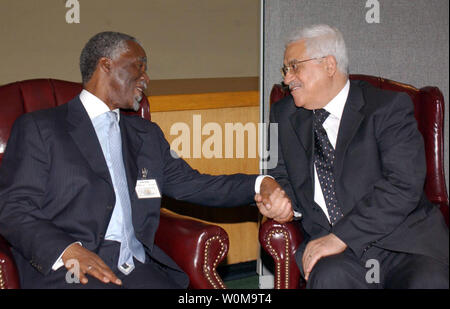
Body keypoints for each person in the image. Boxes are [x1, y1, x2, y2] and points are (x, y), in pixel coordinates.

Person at [0, 31, 292, 289]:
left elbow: (195, 183)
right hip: (71, 270)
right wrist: (68, 250)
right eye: (139, 66)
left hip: (134, 267)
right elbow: (13, 209)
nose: (146, 79)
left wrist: (260, 183)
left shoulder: (145, 134)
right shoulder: (41, 128)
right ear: (106, 65)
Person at [268, 24, 449, 288]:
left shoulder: (388, 108)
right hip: (338, 254)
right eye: (285, 69)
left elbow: (403, 186)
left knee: (428, 281)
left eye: (295, 67)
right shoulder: (283, 115)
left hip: (402, 243)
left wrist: (341, 236)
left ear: (329, 65)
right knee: (329, 277)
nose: (287, 79)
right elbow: (280, 176)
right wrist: (278, 199)